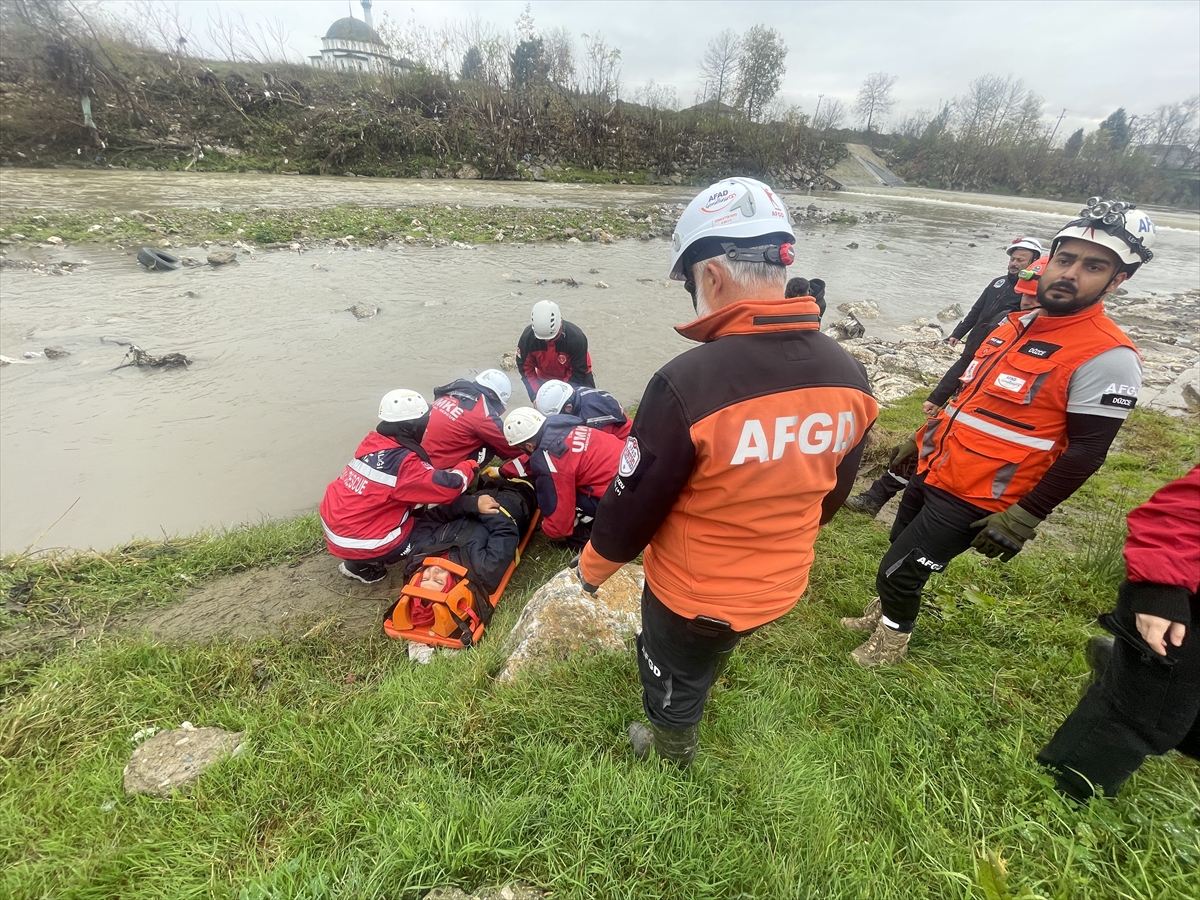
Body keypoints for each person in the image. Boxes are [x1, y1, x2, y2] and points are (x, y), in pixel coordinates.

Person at [575, 177, 879, 765]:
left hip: (694, 596)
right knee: (711, 651)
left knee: (670, 675)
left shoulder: (687, 383)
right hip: (782, 583)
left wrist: (591, 571)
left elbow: (633, 506)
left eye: (692, 283)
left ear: (711, 276)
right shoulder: (848, 374)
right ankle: (704, 673)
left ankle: (671, 751)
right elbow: (832, 495)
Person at [842, 197, 1157, 668]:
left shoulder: (1108, 356)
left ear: (1117, 280)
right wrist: (920, 439)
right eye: (1066, 259)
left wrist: (1025, 516)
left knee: (900, 571)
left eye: (1093, 267)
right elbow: (968, 401)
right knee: (898, 550)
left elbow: (1088, 451)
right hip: (937, 466)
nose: (1070, 274)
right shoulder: (1012, 326)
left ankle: (891, 642)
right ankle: (884, 612)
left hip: (980, 493)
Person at [1037, 466, 1200, 801]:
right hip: (1176, 609)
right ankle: (1063, 795)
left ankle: (1117, 669)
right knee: (1141, 714)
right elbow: (1180, 513)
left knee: (1181, 720)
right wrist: (1160, 588)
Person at [843, 256, 1048, 517]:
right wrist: (938, 396)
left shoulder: (1061, 344)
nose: (1027, 301)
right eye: (1024, 294)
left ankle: (931, 512)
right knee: (914, 449)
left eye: (1034, 296)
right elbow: (969, 360)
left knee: (951, 471)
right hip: (961, 408)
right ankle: (876, 498)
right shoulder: (1003, 322)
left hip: (997, 432)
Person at [318, 389, 478, 584]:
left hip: (338, 531)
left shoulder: (374, 444)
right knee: (442, 529)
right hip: (361, 541)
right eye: (425, 421)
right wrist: (470, 465)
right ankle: (372, 559)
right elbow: (450, 487)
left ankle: (357, 564)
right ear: (414, 425)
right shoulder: (403, 464)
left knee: (416, 502)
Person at [502, 406, 622, 549]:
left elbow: (558, 514)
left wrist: (546, 527)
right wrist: (502, 471)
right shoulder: (559, 426)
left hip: (621, 498)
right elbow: (535, 457)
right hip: (629, 475)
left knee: (566, 502)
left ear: (528, 446)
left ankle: (583, 542)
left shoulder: (551, 460)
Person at [944, 236, 1044, 350]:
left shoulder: (1031, 293)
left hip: (998, 345)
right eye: (1012, 259)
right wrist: (958, 333)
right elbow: (976, 310)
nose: (1014, 263)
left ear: (1034, 262)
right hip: (974, 340)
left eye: (1020, 260)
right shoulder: (997, 282)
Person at [423, 369, 522, 469]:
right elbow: (510, 444)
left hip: (416, 456)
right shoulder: (482, 412)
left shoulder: (453, 391)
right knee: (489, 444)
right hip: (434, 468)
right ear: (492, 395)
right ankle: (460, 475)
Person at [515, 300, 595, 401]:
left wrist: (563, 396)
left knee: (589, 405)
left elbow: (578, 371)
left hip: (578, 376)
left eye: (551, 338)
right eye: (542, 339)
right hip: (545, 377)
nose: (546, 341)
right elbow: (526, 370)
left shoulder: (576, 338)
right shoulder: (527, 339)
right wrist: (536, 396)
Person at [535, 379, 633, 440]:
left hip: (624, 441)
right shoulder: (575, 393)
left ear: (568, 408)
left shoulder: (590, 419)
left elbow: (600, 446)